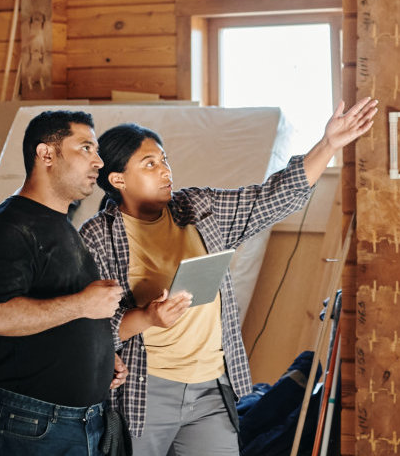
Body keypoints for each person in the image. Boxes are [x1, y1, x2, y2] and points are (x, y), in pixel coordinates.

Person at [79, 98, 379, 456]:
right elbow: (89, 328)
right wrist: (148, 317)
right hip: (145, 393)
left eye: (165, 160)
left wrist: (329, 144)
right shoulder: (98, 237)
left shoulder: (199, 208)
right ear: (118, 179)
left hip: (211, 388)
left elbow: (271, 197)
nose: (165, 171)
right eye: (150, 164)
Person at [0, 110, 131, 455]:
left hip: (79, 420)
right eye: (86, 148)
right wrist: (85, 304)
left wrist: (103, 359)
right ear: (46, 154)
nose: (99, 162)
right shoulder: (9, 227)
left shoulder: (60, 223)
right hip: (33, 423)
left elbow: (58, 312)